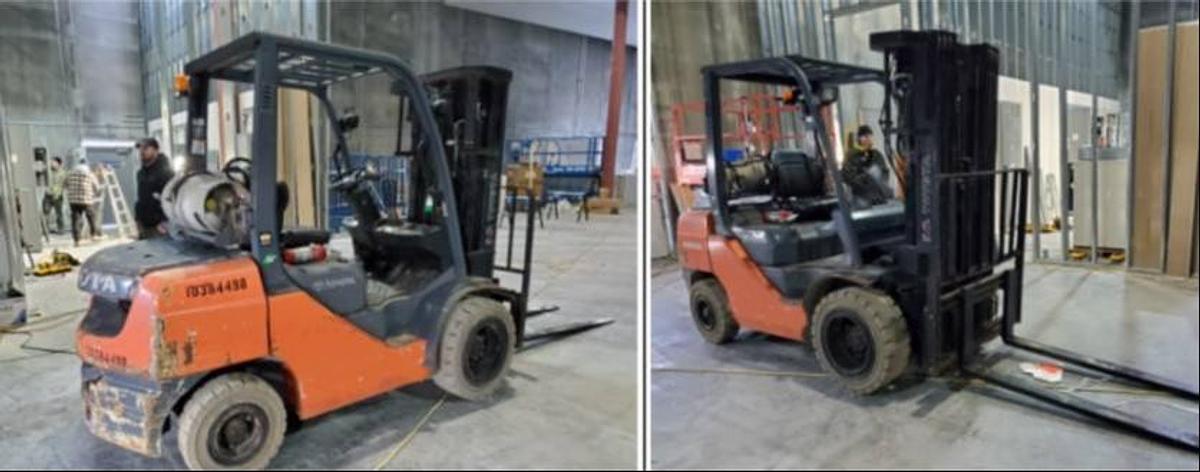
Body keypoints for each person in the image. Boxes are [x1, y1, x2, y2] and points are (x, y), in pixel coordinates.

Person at [134, 137, 175, 239]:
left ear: (156, 150)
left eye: (146, 148)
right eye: (140, 149)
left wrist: (165, 222)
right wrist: (138, 219)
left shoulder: (166, 173)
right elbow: (141, 197)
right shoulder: (141, 173)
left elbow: (173, 199)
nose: (142, 151)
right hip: (144, 226)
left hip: (160, 228)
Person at [842, 125, 893, 206]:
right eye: (865, 136)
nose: (868, 139)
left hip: (878, 198)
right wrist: (866, 176)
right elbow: (847, 177)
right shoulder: (852, 156)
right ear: (859, 139)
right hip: (860, 199)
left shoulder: (877, 154)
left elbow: (884, 173)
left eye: (870, 136)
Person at [66, 157, 102, 246]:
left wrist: (72, 191)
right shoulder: (89, 174)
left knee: (76, 219)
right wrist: (94, 192)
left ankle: (76, 240)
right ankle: (94, 234)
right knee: (91, 217)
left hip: (73, 200)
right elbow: (97, 186)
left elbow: (65, 184)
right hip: (86, 200)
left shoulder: (70, 173)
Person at [42, 156, 66, 234]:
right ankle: (45, 229)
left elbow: (65, 184)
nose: (51, 164)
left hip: (57, 196)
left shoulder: (63, 173)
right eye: (51, 162)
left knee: (59, 213)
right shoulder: (48, 172)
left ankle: (61, 229)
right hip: (48, 195)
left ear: (58, 164)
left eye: (53, 162)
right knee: (46, 212)